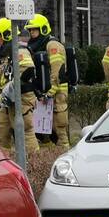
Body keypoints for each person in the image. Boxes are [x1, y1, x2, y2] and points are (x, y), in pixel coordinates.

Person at [0, 17, 39, 154]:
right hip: (8, 101)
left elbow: (28, 70)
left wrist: (11, 89)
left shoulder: (19, 50)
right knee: (2, 130)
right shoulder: (8, 52)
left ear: (7, 35)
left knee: (25, 132)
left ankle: (34, 163)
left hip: (22, 99)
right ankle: (5, 162)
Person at [25, 14, 69, 152]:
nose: (31, 33)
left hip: (57, 92)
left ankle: (65, 154)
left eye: (34, 30)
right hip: (43, 92)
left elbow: (56, 70)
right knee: (43, 128)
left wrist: (50, 92)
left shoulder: (52, 45)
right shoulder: (36, 45)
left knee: (59, 127)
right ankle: (47, 158)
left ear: (43, 29)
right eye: (30, 30)